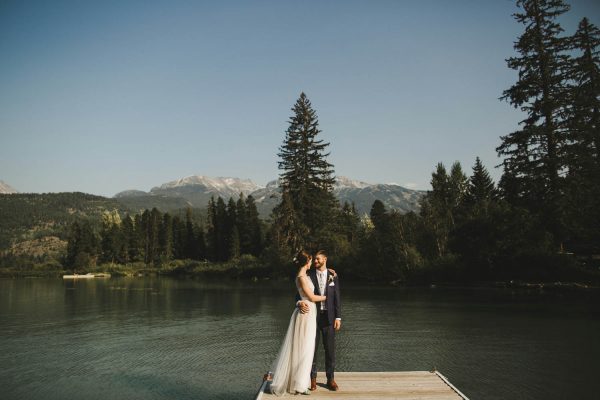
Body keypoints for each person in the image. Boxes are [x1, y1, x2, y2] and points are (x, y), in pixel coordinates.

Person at [270, 250, 326, 396]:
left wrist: (330, 271)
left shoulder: (306, 275)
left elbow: (319, 276)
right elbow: (311, 297)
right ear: (306, 261)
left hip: (309, 313)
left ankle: (300, 382)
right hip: (305, 315)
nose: (312, 263)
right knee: (304, 348)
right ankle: (299, 385)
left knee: (306, 348)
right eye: (311, 260)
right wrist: (327, 296)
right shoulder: (301, 277)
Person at [297, 250, 341, 391]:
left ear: (325, 259)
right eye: (314, 260)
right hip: (312, 317)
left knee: (330, 350)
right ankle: (313, 379)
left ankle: (331, 379)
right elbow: (299, 295)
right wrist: (299, 303)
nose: (315, 261)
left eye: (318, 259)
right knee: (312, 350)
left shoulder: (333, 276)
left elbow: (337, 298)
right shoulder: (307, 275)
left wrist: (338, 317)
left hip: (329, 318)